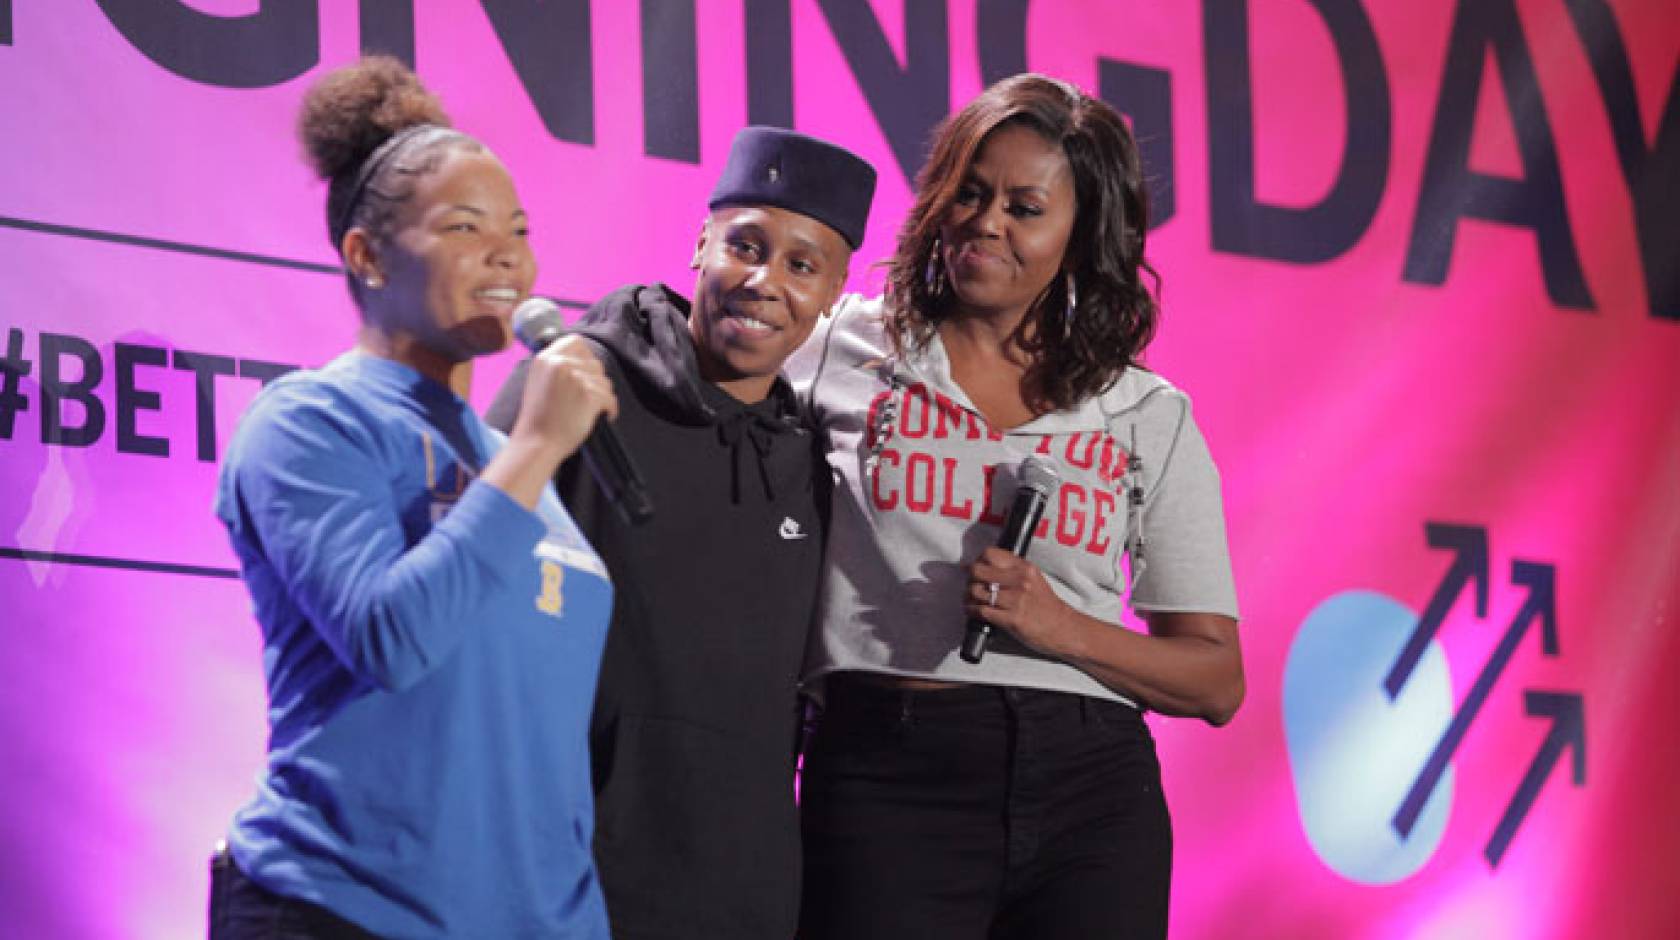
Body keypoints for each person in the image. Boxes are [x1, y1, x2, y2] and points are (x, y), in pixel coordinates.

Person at [790, 73, 1244, 940]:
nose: (986, 221)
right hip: (887, 769)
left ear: (1080, 239)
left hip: (1092, 789)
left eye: (1025, 207)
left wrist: (1061, 628)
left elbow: (1218, 680)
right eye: (971, 191)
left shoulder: (1144, 411)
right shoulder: (840, 348)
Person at [208, 57, 618, 938]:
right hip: (341, 910)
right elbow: (390, 638)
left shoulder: (513, 465)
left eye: (517, 229)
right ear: (365, 254)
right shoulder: (312, 422)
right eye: (466, 227)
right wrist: (543, 443)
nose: (506, 253)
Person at [486, 126, 876, 939]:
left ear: (835, 293)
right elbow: (465, 585)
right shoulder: (572, 382)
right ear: (702, 243)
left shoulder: (808, 459)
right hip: (566, 872)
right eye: (745, 245)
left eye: (802, 265)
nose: (765, 282)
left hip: (745, 891)